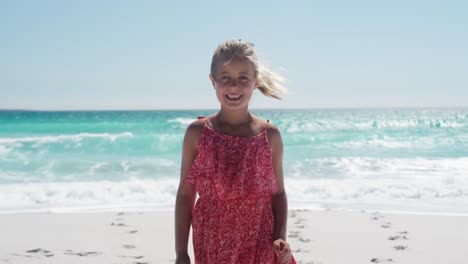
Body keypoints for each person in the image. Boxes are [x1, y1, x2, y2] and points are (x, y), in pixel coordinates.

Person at [175, 39, 296, 264]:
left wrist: (280, 237)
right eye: (225, 78)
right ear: (213, 81)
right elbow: (185, 195)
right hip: (212, 240)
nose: (233, 86)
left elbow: (278, 194)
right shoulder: (197, 133)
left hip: (260, 240)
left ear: (255, 82)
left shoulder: (270, 136)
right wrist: (181, 252)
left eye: (243, 78)